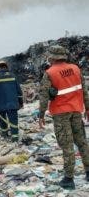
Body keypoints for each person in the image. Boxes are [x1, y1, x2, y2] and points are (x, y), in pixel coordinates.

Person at [39, 45, 89, 189]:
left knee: (67, 145)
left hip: (61, 113)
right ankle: (88, 172)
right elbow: (84, 90)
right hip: (76, 110)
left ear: (52, 57)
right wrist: (88, 108)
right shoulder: (75, 68)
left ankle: (68, 178)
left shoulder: (50, 73)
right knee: (82, 142)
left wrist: (41, 115)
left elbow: (43, 96)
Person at [0, 60, 23, 142]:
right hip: (12, 104)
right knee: (13, 120)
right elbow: (19, 91)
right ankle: (15, 137)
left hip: (0, 104)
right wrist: (21, 102)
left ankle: (5, 134)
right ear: (6, 67)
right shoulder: (12, 76)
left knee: (2, 120)